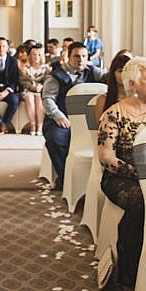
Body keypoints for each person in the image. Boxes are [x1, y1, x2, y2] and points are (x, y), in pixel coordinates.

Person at [98, 56, 146, 287]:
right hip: (121, 178)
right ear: (132, 84)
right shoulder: (114, 113)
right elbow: (106, 157)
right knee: (142, 200)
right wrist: (138, 174)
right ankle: (130, 270)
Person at [42, 42, 108, 188]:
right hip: (62, 119)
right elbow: (47, 99)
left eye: (84, 56)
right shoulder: (56, 75)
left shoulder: (93, 71)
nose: (81, 60)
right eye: (77, 56)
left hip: (88, 121)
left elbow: (109, 77)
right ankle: (67, 178)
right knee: (56, 140)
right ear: (68, 57)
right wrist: (57, 115)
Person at [20, 44, 50, 136]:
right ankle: (32, 125)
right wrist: (32, 87)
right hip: (28, 90)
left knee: (39, 98)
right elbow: (23, 81)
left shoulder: (46, 68)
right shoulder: (26, 68)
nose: (36, 56)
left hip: (42, 91)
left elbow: (49, 81)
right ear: (30, 56)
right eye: (34, 54)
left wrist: (41, 87)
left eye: (38, 54)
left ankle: (40, 126)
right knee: (29, 97)